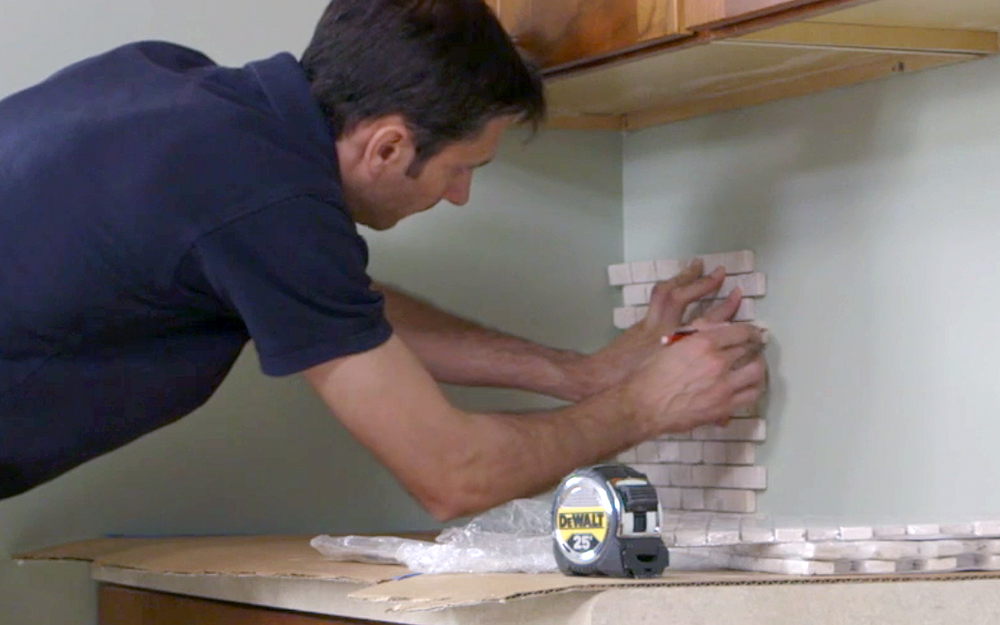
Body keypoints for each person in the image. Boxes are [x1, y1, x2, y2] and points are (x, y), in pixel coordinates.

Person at [0, 0, 766, 516]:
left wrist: (577, 373)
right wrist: (645, 406)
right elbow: (451, 473)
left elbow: (336, 305)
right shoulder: (262, 203)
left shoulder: (179, 90)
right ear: (389, 145)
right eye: (462, 167)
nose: (460, 194)